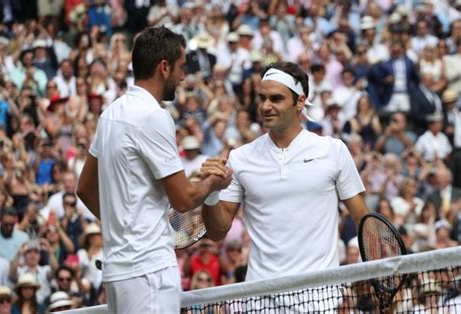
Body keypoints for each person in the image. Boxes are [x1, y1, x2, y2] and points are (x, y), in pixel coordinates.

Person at [76, 26, 232, 313]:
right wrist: (213, 183)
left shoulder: (110, 113)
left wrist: (122, 227)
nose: (183, 76)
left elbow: (84, 189)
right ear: (164, 68)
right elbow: (183, 199)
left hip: (118, 272)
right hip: (149, 271)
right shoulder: (153, 116)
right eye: (181, 67)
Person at [200, 62, 369, 283]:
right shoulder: (240, 157)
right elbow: (217, 233)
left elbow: (364, 221)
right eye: (262, 98)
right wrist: (211, 193)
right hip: (262, 297)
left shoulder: (333, 150)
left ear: (300, 102)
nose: (266, 106)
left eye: (276, 99)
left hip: (320, 297)